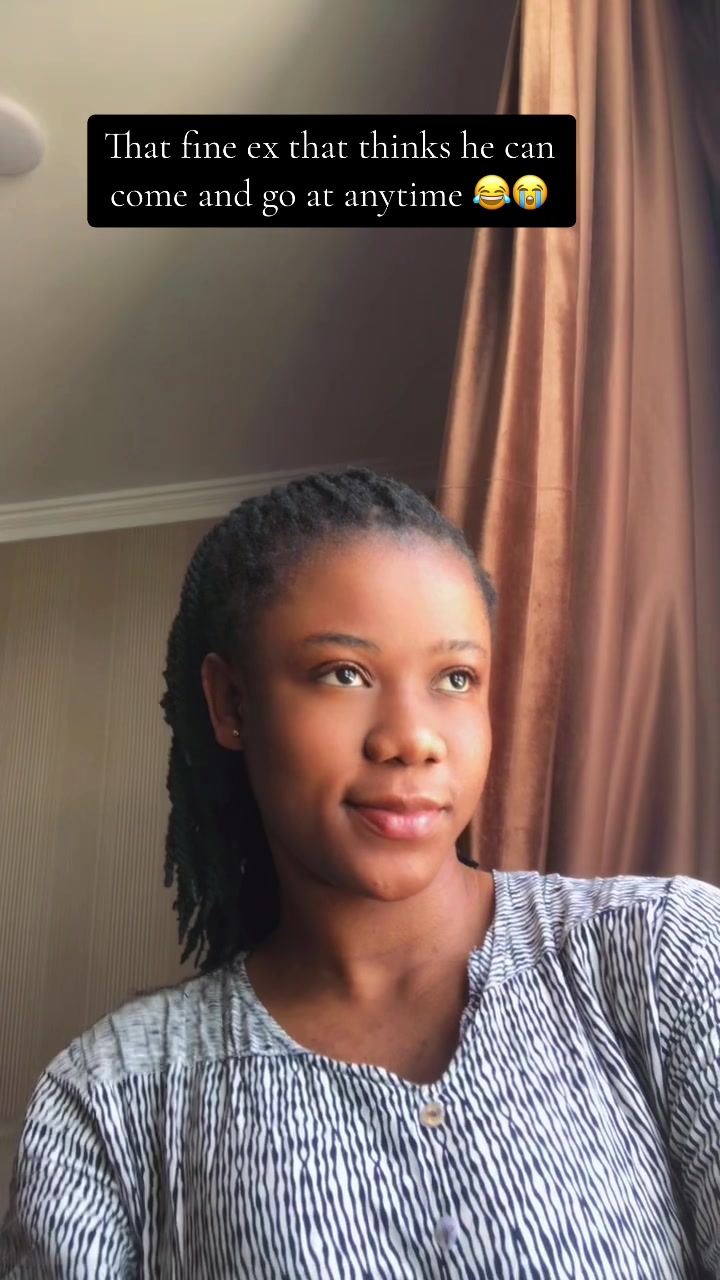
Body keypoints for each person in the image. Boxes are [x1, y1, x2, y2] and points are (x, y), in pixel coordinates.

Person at [0, 467, 718, 1279]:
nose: (413, 739)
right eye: (343, 673)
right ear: (232, 703)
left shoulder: (663, 954)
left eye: (456, 679)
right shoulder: (111, 1097)